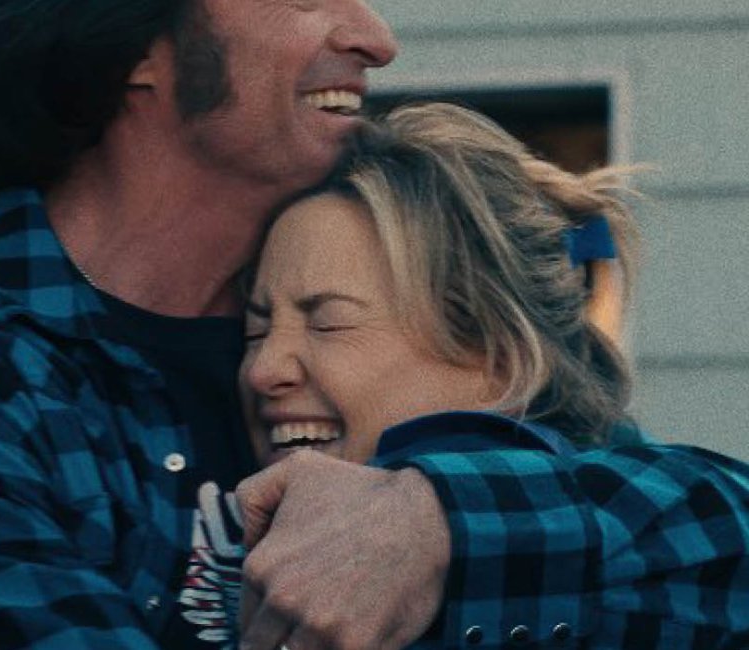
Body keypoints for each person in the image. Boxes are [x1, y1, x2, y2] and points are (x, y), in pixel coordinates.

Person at [0, 0, 748, 647]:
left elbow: (706, 517)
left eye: (320, 322)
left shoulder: (373, 276)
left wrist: (439, 520)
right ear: (137, 50)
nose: (375, 36)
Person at [235, 105, 749, 648]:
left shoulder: (630, 577)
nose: (264, 369)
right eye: (255, 330)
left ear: (502, 357)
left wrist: (442, 520)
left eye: (328, 323)